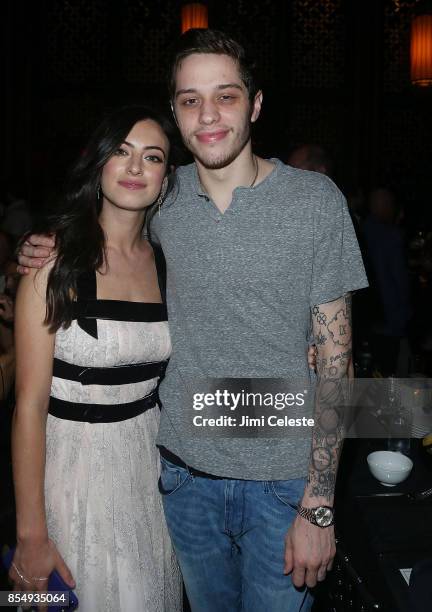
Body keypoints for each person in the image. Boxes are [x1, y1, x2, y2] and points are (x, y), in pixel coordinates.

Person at [18, 29, 368, 612]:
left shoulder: (314, 201)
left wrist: (320, 506)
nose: (207, 115)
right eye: (189, 100)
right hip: (180, 482)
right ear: (176, 116)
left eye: (226, 96)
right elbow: (103, 228)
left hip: (284, 489)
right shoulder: (163, 196)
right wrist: (42, 248)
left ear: (255, 105)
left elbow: (338, 364)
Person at [11, 106, 182, 611]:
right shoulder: (52, 261)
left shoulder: (169, 263)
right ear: (100, 163)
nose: (134, 167)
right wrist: (30, 534)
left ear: (165, 178)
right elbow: (27, 406)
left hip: (147, 471)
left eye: (151, 157)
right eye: (122, 152)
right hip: (70, 470)